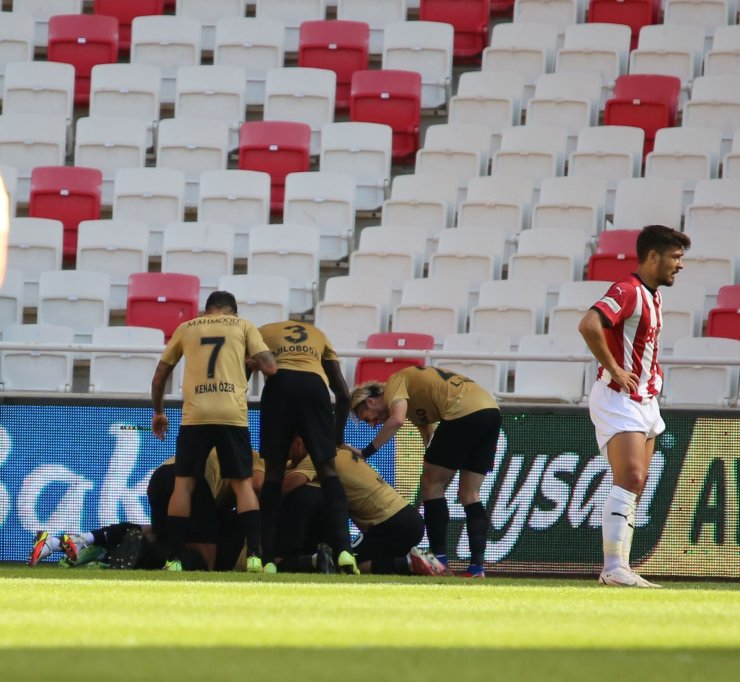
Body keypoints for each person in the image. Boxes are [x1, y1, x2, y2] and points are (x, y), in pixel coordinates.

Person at [578, 224, 691, 588]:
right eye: (675, 257)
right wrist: (614, 368)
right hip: (619, 397)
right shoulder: (627, 290)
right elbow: (589, 323)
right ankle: (612, 567)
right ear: (652, 256)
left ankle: (620, 566)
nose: (680, 265)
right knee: (631, 476)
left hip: (645, 400)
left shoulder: (653, 295)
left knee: (635, 484)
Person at [150, 290, 276, 572]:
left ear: (206, 312)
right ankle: (255, 555)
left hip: (195, 415)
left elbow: (159, 375)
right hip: (232, 414)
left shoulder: (186, 327)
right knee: (242, 484)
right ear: (233, 312)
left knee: (183, 485)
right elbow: (271, 367)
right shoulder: (243, 326)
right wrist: (254, 364)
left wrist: (159, 412)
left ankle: (173, 558)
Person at [350, 366, 502, 578]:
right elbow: (428, 434)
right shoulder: (414, 399)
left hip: (463, 411)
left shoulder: (394, 382)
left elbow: (397, 420)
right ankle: (477, 568)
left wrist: (366, 452)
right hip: (491, 411)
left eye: (368, 418)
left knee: (431, 484)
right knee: (470, 494)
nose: (374, 424)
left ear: (370, 401)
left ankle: (439, 561)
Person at [256, 320, 358, 574]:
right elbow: (344, 395)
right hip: (314, 386)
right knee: (328, 472)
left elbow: (243, 377)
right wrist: (335, 438)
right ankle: (345, 550)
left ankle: (266, 559)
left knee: (273, 474)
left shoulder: (262, 331)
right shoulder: (319, 334)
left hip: (278, 385)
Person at [274, 436, 446, 576]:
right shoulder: (340, 452)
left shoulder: (316, 456)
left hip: (391, 523)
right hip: (409, 517)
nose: (287, 456)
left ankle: (408, 563)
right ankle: (410, 563)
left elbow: (292, 483)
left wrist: (266, 495)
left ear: (298, 443)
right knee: (369, 561)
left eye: (287, 449)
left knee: (343, 561)